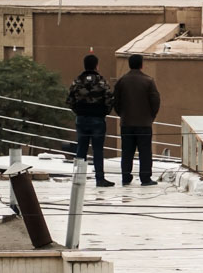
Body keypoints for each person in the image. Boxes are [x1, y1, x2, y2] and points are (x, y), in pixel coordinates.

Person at [66, 54, 114, 187]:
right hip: (97, 119)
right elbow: (109, 100)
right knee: (98, 150)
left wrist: (79, 111)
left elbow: (69, 101)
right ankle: (100, 179)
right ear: (96, 65)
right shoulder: (101, 81)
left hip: (81, 119)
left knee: (81, 148)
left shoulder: (77, 81)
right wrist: (103, 113)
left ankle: (78, 178)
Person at [113, 53, 161, 186]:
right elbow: (155, 101)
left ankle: (126, 176)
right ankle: (145, 178)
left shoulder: (122, 81)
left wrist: (122, 114)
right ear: (141, 65)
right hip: (144, 123)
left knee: (127, 151)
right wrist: (150, 117)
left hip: (126, 122)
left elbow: (116, 102)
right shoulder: (149, 81)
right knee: (145, 152)